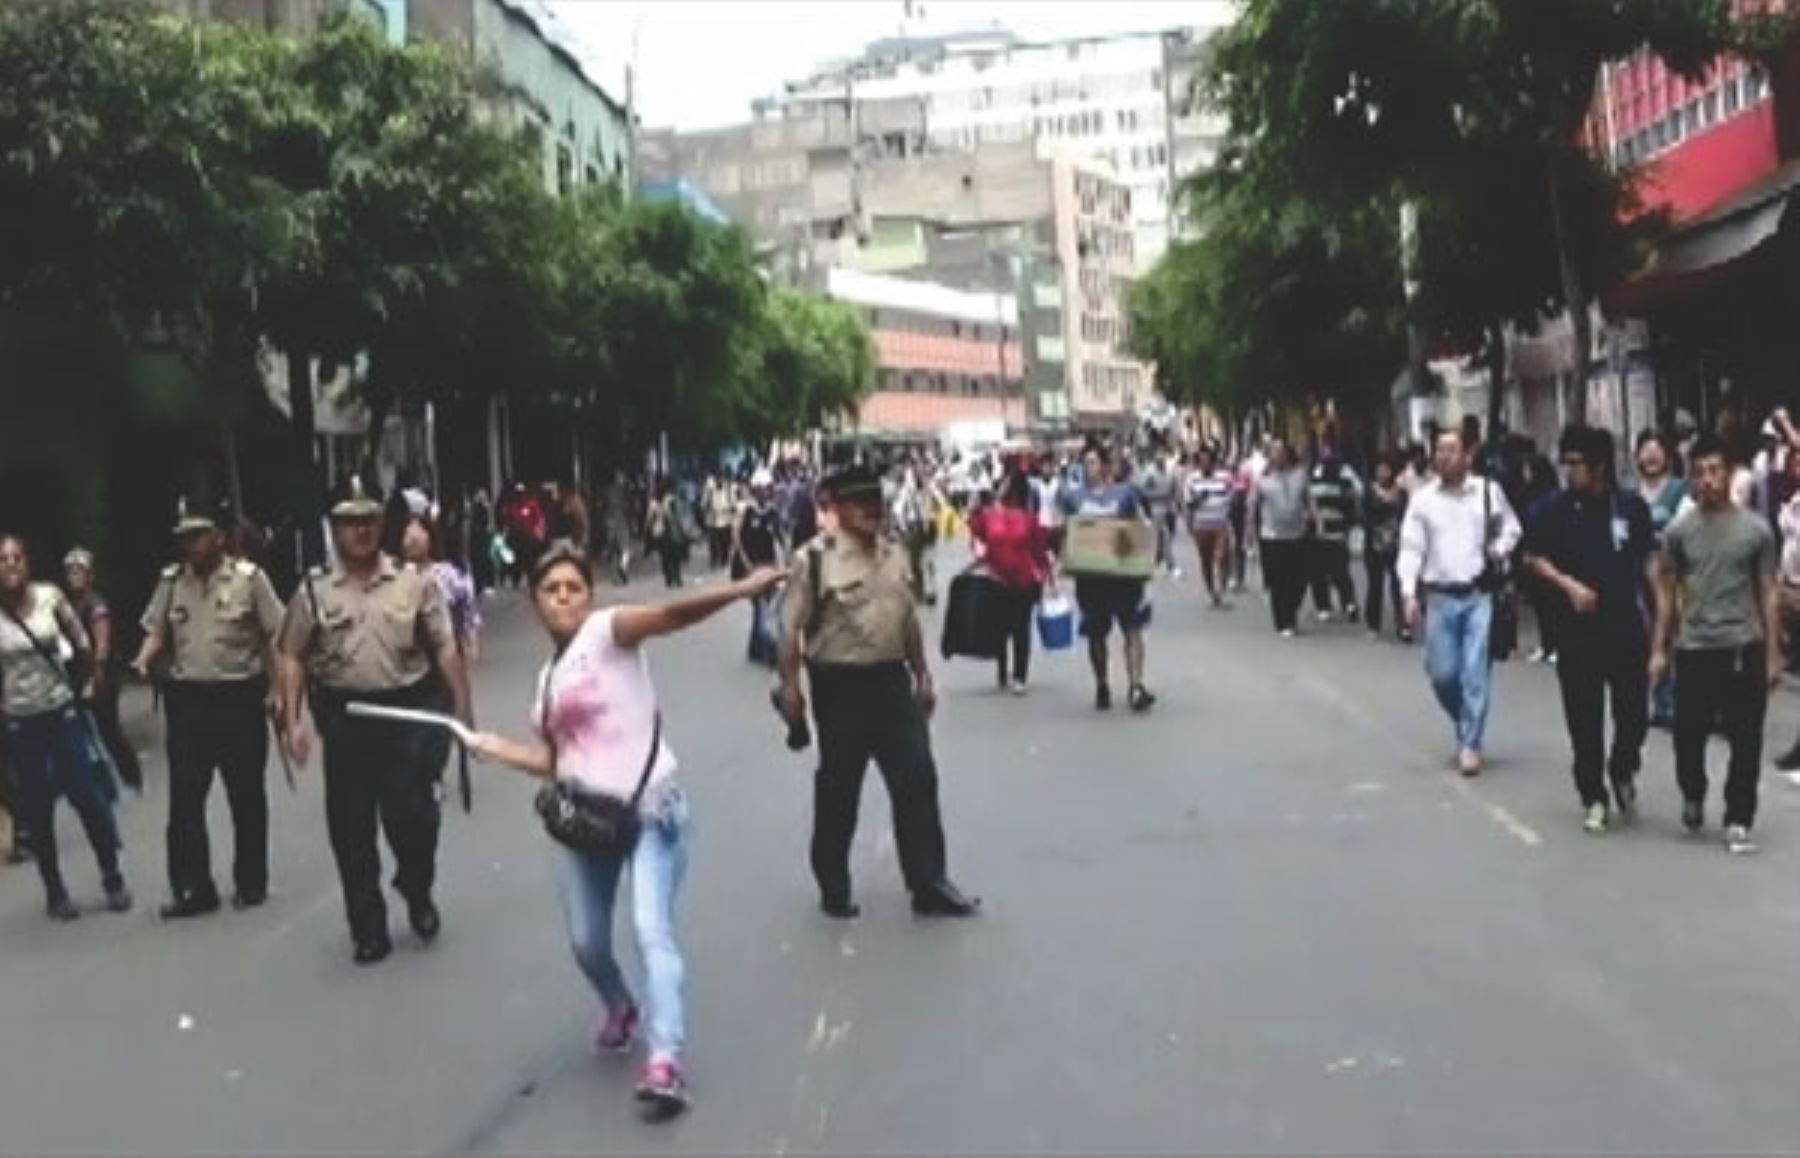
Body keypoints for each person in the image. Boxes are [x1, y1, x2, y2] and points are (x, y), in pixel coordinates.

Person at [466, 545, 783, 1117]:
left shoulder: (607, 633)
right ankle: (621, 1007)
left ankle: (665, 1060)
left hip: (650, 814)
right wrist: (500, 750)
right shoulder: (547, 678)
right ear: (534, 600)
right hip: (588, 822)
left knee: (649, 930)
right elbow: (560, 759)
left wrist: (741, 589)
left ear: (590, 595)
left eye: (574, 587)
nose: (563, 597)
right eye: (550, 589)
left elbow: (671, 615)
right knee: (587, 942)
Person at [277, 479, 473, 964]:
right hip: (345, 720)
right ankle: (368, 928)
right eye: (349, 523)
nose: (360, 532)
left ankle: (417, 886)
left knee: (415, 819)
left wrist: (463, 710)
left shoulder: (415, 584)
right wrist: (292, 718)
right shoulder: (313, 590)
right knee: (350, 829)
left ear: (381, 526)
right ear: (335, 529)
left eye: (368, 522)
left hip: (407, 715)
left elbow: (445, 646)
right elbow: (292, 655)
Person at [777, 465, 979, 921]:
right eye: (861, 504)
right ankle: (833, 882)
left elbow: (905, 621)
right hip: (839, 686)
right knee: (839, 789)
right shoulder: (815, 559)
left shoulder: (894, 555)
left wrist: (923, 674)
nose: (873, 511)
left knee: (918, 779)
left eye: (877, 503)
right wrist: (791, 690)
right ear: (840, 509)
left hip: (891, 683)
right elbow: (789, 630)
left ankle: (928, 881)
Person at [132, 502, 285, 918]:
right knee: (185, 801)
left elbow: (276, 636)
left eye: (199, 535)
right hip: (189, 703)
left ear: (218, 537)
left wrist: (279, 691)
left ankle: (251, 881)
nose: (191, 544)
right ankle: (193, 887)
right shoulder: (172, 582)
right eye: (185, 537)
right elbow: (156, 629)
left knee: (246, 796)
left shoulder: (249, 580)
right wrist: (144, 659)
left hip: (239, 699)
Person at [1522, 427, 1656, 833]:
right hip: (1577, 629)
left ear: (1599, 466)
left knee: (1633, 713)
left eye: (1577, 463)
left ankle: (1623, 766)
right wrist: (1568, 586)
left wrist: (1663, 612)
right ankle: (1592, 793)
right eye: (1566, 462)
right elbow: (1532, 557)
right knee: (1584, 717)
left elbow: (1648, 560)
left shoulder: (1629, 508)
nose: (1569, 471)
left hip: (1624, 625)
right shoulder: (1553, 510)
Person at [1651, 436, 1781, 854]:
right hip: (1695, 647)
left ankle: (1739, 816)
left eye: (1715, 470)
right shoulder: (1678, 532)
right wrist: (1660, 648)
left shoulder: (1755, 530)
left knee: (1746, 737)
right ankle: (1693, 792)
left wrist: (1774, 653)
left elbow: (1767, 590)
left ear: (1729, 473)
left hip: (1743, 644)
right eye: (1700, 472)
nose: (1708, 480)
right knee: (1688, 735)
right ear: (1690, 478)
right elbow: (1667, 592)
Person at [0, 534, 131, 920]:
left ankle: (112, 874)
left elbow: (82, 641)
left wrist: (91, 681)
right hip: (21, 721)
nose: (10, 565)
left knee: (85, 794)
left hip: (60, 711)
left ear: (28, 562)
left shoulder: (50, 598)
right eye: (2, 559)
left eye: (16, 558)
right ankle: (54, 889)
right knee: (37, 808)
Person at [1398, 429, 1522, 777]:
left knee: (1474, 672)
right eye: (1439, 450)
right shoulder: (1423, 501)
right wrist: (1409, 593)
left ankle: (1470, 742)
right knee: (1442, 674)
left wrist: (1498, 551)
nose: (1445, 457)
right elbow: (1411, 548)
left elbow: (1511, 529)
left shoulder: (1487, 492)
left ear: (1468, 456)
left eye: (1452, 450)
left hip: (1477, 594)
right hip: (1439, 596)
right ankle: (1465, 718)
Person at [1068, 445, 1157, 712]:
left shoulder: (1125, 493)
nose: (1089, 468)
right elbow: (1069, 530)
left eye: (1093, 462)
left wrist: (1145, 555)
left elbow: (1142, 523)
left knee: (1132, 628)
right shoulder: (1075, 496)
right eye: (1085, 463)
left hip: (1123, 573)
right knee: (1096, 633)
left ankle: (1136, 685)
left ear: (1107, 466)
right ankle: (1102, 684)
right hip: (1092, 577)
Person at [62, 547, 143, 792]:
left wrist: (94, 678)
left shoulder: (95, 604)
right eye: (71, 571)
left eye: (80, 571)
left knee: (108, 728)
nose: (74, 576)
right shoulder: (66, 605)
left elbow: (103, 642)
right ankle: (91, 778)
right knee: (77, 728)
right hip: (73, 673)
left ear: (90, 576)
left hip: (100, 674)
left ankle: (130, 773)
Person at [970, 470, 1051, 694]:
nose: (1001, 489)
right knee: (1000, 626)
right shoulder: (990, 516)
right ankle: (1003, 669)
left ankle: (1019, 675)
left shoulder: (1028, 519)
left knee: (1020, 628)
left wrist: (1045, 575)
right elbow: (977, 532)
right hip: (997, 579)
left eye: (1005, 486)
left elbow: (1039, 549)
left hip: (1023, 579)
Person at [1251, 436, 1312, 638]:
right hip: (1272, 535)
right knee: (1279, 581)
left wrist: (1315, 519)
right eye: (1274, 452)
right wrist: (1250, 534)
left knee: (1299, 579)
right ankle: (1283, 620)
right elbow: (1253, 507)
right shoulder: (1263, 480)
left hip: (1297, 533)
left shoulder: (1300, 475)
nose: (1278, 456)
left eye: (1281, 452)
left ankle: (1292, 610)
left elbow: (1309, 500)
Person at [733, 470, 785, 666]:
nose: (766, 493)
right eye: (762, 489)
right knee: (760, 607)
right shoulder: (746, 510)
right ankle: (766, 650)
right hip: (752, 567)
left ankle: (756, 648)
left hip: (769, 566)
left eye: (768, 489)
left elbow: (778, 538)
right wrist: (746, 564)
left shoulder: (772, 512)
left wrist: (783, 563)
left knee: (769, 608)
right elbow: (737, 538)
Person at [1182, 444, 1236, 609]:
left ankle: (1222, 587)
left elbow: (1232, 496)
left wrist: (1227, 507)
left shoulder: (1225, 477)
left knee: (1222, 556)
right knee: (1206, 560)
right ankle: (1212, 591)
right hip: (1201, 525)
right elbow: (1188, 502)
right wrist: (1197, 500)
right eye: (1201, 461)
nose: (1205, 465)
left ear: (1213, 462)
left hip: (1220, 523)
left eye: (1208, 461)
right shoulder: (1192, 479)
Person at [1307, 454, 1360, 623]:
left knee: (1321, 572)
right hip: (1335, 534)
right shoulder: (1345, 484)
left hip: (1320, 535)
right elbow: (1351, 509)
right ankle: (1347, 602)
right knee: (1339, 572)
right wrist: (1348, 527)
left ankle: (1325, 606)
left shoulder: (1314, 484)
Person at [1363, 456, 1409, 641]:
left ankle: (1403, 624)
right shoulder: (1369, 491)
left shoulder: (1401, 492)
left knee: (1398, 586)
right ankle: (1373, 624)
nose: (1383, 473)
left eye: (1387, 469)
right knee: (1375, 585)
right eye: (1380, 469)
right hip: (1375, 543)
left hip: (1396, 543)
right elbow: (1364, 515)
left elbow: (1407, 515)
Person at [647, 481, 686, 590]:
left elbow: (649, 520)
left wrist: (649, 532)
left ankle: (669, 578)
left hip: (659, 533)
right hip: (671, 533)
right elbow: (677, 516)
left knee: (665, 557)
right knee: (675, 557)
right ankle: (676, 578)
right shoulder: (671, 500)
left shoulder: (653, 503)